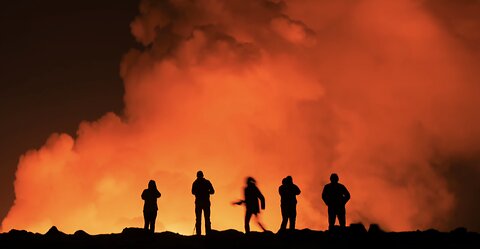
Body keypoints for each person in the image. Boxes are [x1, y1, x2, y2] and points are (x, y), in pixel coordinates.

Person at [191, 170, 215, 235]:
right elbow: (212, 191)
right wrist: (206, 192)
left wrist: (200, 192)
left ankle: (199, 234)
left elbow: (193, 192)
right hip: (204, 202)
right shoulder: (206, 182)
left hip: (200, 203)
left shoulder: (195, 183)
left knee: (200, 219)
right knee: (205, 218)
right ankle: (207, 233)